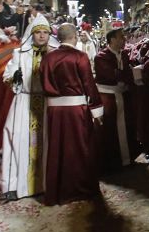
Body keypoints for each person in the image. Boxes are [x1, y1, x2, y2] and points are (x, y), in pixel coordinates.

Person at [40, 23, 104, 205]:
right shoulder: (80, 57)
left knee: (58, 148)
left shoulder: (48, 58)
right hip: (76, 110)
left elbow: (43, 82)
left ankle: (58, 190)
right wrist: (97, 109)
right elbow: (89, 85)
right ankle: (81, 189)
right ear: (74, 37)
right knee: (80, 148)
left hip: (55, 111)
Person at [0, 15, 54, 200]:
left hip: (46, 103)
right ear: (32, 34)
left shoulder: (54, 53)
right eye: (38, 32)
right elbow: (7, 74)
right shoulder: (20, 53)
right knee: (15, 139)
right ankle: (12, 185)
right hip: (24, 101)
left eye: (45, 33)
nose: (41, 36)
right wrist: (14, 76)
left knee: (47, 141)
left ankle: (46, 182)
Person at [95, 27, 137, 173]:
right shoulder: (101, 57)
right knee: (110, 130)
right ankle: (112, 162)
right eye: (121, 37)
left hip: (123, 95)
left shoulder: (124, 55)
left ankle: (127, 158)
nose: (124, 39)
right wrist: (125, 74)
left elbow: (125, 73)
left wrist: (125, 75)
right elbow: (112, 75)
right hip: (109, 97)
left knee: (126, 126)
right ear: (112, 40)